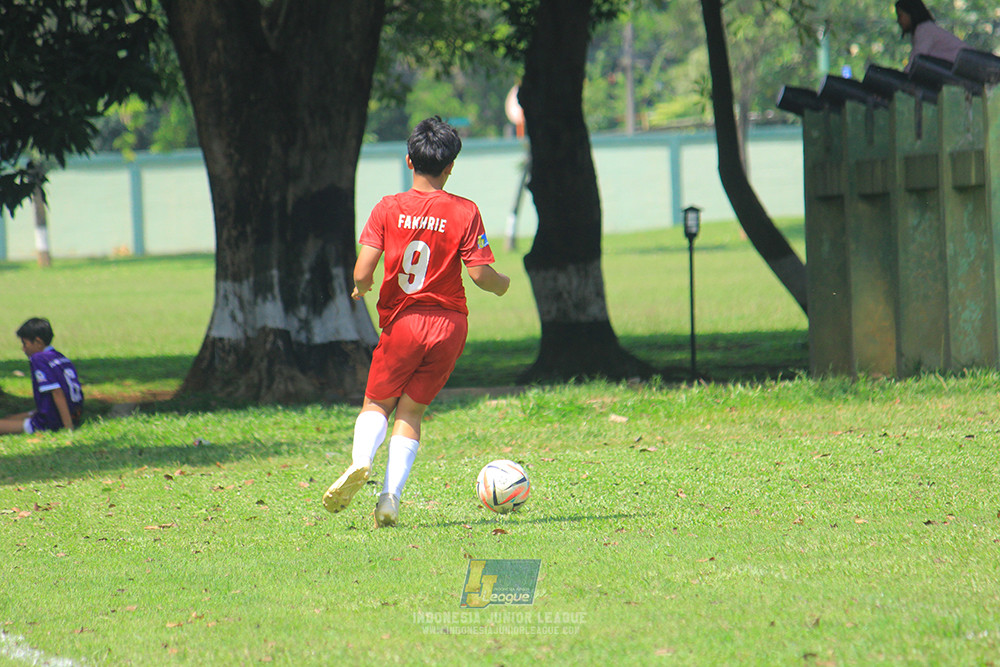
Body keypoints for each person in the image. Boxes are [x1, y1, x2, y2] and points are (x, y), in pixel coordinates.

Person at [322, 116, 510, 528]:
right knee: (412, 412)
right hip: (448, 328)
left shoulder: (388, 208)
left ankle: (360, 461)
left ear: (409, 161)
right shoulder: (465, 210)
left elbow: (361, 270)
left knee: (377, 403)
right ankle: (390, 497)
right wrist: (502, 285)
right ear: (450, 167)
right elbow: (480, 275)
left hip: (403, 323)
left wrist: (362, 287)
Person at [0, 318, 83, 435]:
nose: (23, 349)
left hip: (50, 422)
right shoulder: (59, 356)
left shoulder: (38, 358)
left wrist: (68, 428)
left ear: (38, 342)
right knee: (9, 418)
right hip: (73, 414)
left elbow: (57, 392)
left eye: (25, 344)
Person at [895, 0, 969, 72]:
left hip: (970, 64)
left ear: (911, 13)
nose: (898, 21)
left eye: (900, 16)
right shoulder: (925, 29)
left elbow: (916, 62)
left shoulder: (924, 30)